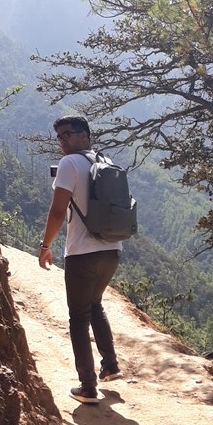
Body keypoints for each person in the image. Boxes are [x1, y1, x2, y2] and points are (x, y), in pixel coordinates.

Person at [38, 116, 123, 404]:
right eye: (59, 136)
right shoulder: (106, 161)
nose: (63, 140)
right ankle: (110, 366)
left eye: (68, 134)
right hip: (112, 250)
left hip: (82, 253)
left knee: (78, 316)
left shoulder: (69, 164)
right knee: (95, 303)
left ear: (84, 135)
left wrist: (45, 245)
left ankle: (87, 386)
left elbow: (58, 210)